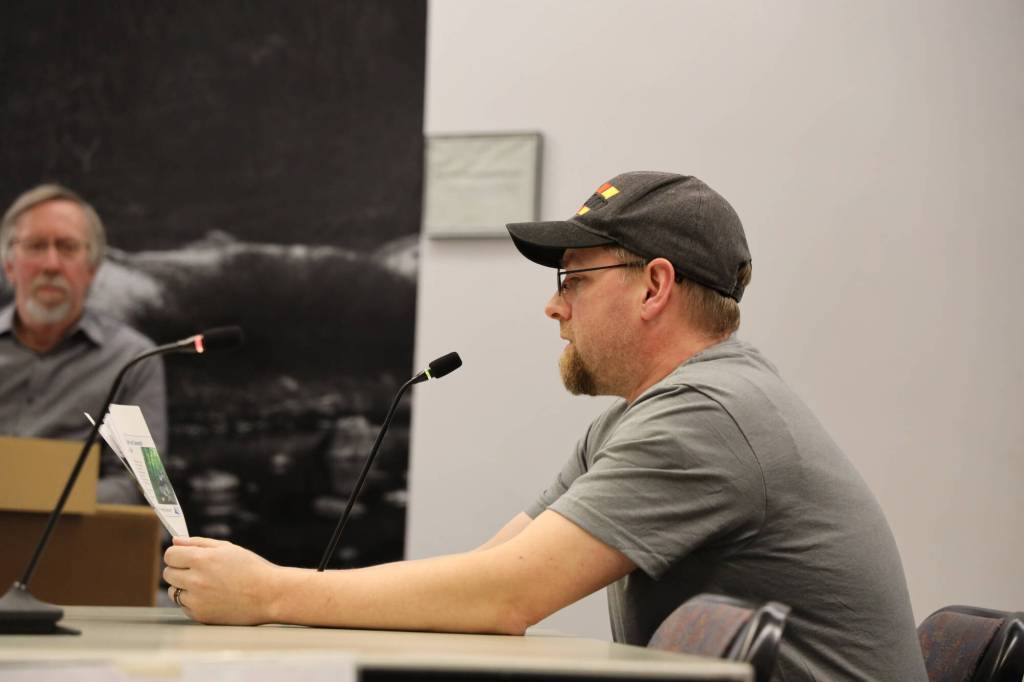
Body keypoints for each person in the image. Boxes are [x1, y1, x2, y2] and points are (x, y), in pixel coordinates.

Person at [163, 172, 926, 680]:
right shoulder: (645, 418)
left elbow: (506, 597)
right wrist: (287, 593)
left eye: (573, 279)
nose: (554, 306)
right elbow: (490, 574)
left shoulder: (708, 416)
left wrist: (270, 593)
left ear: (655, 286)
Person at [0, 183, 167, 503]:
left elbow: (145, 485)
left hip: (81, 543)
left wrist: (30, 501)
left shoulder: (134, 360)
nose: (51, 264)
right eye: (36, 246)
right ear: (9, 265)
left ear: (92, 268)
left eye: (67, 247)